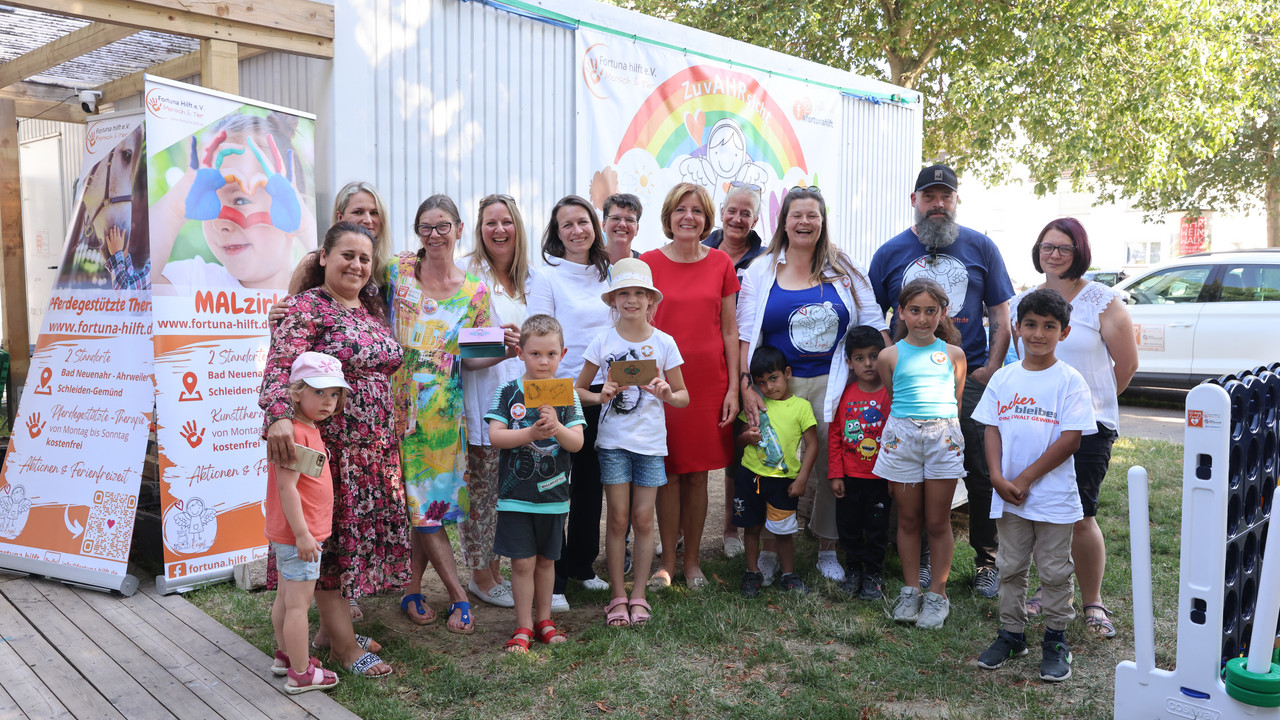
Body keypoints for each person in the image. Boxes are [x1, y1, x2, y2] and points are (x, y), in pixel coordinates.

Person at [261, 222, 407, 678]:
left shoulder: (368, 307)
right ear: (324, 256)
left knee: (348, 544)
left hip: (374, 452)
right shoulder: (307, 307)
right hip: (334, 453)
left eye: (365, 258)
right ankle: (343, 647)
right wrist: (279, 417)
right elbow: (280, 367)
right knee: (332, 547)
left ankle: (328, 627)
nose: (357, 265)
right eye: (347, 255)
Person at [868, 163, 1014, 599]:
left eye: (945, 196)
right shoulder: (891, 252)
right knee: (908, 472)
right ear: (914, 201)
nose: (937, 204)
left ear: (956, 201)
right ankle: (923, 562)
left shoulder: (981, 247)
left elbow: (1002, 316)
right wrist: (886, 357)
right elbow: (872, 313)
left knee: (981, 471)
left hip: (964, 376)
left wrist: (990, 368)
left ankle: (987, 562)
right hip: (909, 384)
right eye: (928, 196)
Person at [738, 186, 889, 586]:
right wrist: (745, 385)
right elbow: (743, 333)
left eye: (813, 216)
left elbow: (874, 320)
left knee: (829, 465)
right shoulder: (761, 268)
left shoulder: (844, 267)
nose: (804, 222)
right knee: (774, 462)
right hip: (778, 386)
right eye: (797, 215)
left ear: (822, 222)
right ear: (783, 222)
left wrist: (887, 377)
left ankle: (827, 547)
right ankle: (770, 548)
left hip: (834, 380)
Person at [391, 194, 518, 634]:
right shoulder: (399, 271)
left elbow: (470, 357)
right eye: (425, 227)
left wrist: (504, 347)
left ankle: (415, 588)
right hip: (394, 404)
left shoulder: (474, 293)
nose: (434, 235)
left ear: (459, 229)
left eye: (443, 226)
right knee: (419, 505)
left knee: (429, 506)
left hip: (443, 414)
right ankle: (456, 594)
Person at [1014, 219, 1137, 639]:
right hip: (1033, 425)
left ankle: (1093, 602)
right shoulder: (1023, 302)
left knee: (1080, 515)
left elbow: (1126, 366)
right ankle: (1047, 593)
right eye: (1046, 246)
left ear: (1079, 251)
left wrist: (1090, 406)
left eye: (1063, 248)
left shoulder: (1102, 301)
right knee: (1038, 510)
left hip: (1088, 428)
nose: (1053, 254)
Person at [973, 288, 1096, 682]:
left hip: (1053, 499)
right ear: (1017, 327)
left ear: (1064, 332)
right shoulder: (1004, 379)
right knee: (1010, 566)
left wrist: (1024, 478)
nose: (1038, 333)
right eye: (1030, 325)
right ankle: (1011, 634)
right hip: (1008, 496)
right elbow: (991, 429)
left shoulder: (1070, 381)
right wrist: (996, 476)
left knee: (1056, 571)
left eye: (1049, 326)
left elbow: (1070, 440)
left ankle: (1056, 640)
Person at [575, 259, 689, 627]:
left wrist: (667, 392)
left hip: (651, 445)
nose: (632, 299)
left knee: (643, 519)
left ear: (651, 300)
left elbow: (684, 397)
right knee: (618, 520)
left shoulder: (664, 342)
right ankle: (617, 596)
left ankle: (638, 594)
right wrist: (600, 394)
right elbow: (577, 390)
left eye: (639, 293)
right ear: (613, 300)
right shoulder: (603, 340)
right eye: (624, 292)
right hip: (612, 443)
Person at [640, 182, 740, 590]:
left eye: (697, 211)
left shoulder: (721, 264)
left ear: (706, 219)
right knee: (669, 472)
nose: (689, 217)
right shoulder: (647, 262)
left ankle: (694, 560)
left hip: (707, 384)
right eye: (681, 209)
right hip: (661, 384)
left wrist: (734, 388)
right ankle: (667, 559)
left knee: (699, 475)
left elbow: (730, 331)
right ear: (668, 216)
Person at [527, 195, 614, 606]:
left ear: (594, 226)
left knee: (591, 483)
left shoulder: (610, 271)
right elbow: (539, 335)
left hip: (604, 390)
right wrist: (548, 394)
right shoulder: (546, 275)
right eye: (567, 225)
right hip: (560, 391)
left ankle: (582, 564)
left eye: (583, 222)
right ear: (556, 232)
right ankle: (556, 577)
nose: (577, 230)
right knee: (556, 484)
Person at [487, 315, 586, 652]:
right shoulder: (508, 391)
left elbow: (577, 443)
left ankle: (544, 620)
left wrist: (557, 427)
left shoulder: (567, 393)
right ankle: (523, 625)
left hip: (554, 497)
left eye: (551, 354)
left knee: (546, 561)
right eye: (535, 354)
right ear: (520, 353)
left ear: (563, 353)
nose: (544, 362)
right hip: (515, 496)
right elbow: (496, 436)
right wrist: (530, 433)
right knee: (522, 562)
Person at [876, 278, 966, 629]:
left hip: (943, 437)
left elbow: (955, 400)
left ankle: (937, 594)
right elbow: (892, 390)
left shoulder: (954, 355)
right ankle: (911, 589)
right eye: (915, 310)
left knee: (937, 521)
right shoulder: (889, 355)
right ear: (901, 312)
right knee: (909, 519)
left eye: (931, 311)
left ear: (943, 314)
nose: (923, 318)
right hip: (903, 439)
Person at [459, 194, 534, 609]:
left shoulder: (530, 279)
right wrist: (499, 342)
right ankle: (481, 575)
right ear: (479, 229)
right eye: (490, 223)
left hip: (524, 397)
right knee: (482, 492)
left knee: (508, 487)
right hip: (485, 397)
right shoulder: (469, 277)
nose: (499, 229)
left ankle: (497, 568)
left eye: (506, 221)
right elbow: (462, 350)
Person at [151, 112, 314, 292]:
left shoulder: (315, 296)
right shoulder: (191, 283)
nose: (219, 224)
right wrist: (175, 208)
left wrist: (305, 227)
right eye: (208, 200)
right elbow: (129, 289)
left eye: (240, 200)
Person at [266, 352, 347, 694]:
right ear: (296, 392)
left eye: (334, 394)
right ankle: (301, 673)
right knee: (299, 604)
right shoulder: (294, 434)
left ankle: (286, 655)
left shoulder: (306, 428)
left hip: (294, 533)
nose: (329, 401)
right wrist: (302, 533)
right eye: (319, 392)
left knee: (286, 597)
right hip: (299, 534)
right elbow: (287, 487)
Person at [703, 182, 767, 558]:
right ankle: (677, 529)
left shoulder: (765, 257)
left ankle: (731, 527)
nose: (737, 218)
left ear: (756, 218)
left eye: (746, 213)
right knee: (690, 448)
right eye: (732, 210)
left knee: (738, 450)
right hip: (705, 360)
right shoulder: (701, 249)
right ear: (721, 212)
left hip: (744, 362)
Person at [734, 345, 819, 597]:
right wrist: (747, 437)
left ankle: (788, 574)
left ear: (787, 373)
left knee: (784, 532)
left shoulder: (801, 407)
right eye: (761, 382)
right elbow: (740, 440)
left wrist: (802, 477)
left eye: (774, 378)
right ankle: (752, 572)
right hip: (750, 476)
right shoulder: (755, 405)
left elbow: (813, 444)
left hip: (784, 481)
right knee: (751, 527)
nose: (769, 387)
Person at [828, 326, 892, 600]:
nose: (868, 363)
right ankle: (853, 569)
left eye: (874, 356)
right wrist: (835, 473)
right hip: (849, 479)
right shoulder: (843, 395)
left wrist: (892, 477)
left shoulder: (891, 394)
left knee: (877, 528)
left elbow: (897, 438)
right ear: (849, 362)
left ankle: (874, 574)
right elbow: (834, 435)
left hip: (880, 479)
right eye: (860, 358)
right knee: (849, 527)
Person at [288, 181, 394, 296]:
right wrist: (277, 313)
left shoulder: (388, 268)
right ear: (340, 217)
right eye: (358, 212)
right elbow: (290, 308)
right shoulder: (312, 262)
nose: (368, 220)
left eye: (374, 213)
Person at [602, 193, 643, 261]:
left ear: (637, 228)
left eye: (629, 220)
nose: (622, 224)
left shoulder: (645, 266)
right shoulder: (588, 263)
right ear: (604, 225)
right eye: (615, 218)